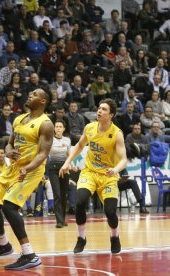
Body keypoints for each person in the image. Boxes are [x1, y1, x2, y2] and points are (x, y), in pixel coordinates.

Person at [0, 89, 53, 270]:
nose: (30, 95)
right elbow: (9, 143)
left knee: (9, 207)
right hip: (13, 167)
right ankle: (3, 245)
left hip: (31, 170)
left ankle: (29, 254)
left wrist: (27, 168)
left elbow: (43, 154)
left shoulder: (45, 124)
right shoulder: (19, 119)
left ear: (43, 101)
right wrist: (8, 151)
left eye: (35, 94)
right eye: (31, 93)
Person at [60, 98, 127, 254]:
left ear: (111, 114)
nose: (99, 111)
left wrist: (115, 169)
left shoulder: (117, 134)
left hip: (108, 175)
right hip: (89, 172)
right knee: (80, 201)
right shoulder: (89, 127)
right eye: (99, 108)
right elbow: (79, 145)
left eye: (103, 109)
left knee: (110, 211)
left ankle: (115, 236)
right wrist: (67, 162)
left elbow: (123, 159)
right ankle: (81, 238)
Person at [47, 119, 71, 228]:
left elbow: (68, 155)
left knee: (63, 195)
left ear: (64, 129)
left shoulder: (67, 140)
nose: (58, 128)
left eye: (60, 127)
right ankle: (59, 221)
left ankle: (63, 219)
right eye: (56, 126)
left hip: (64, 169)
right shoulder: (50, 140)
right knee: (57, 194)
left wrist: (71, 165)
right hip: (53, 169)